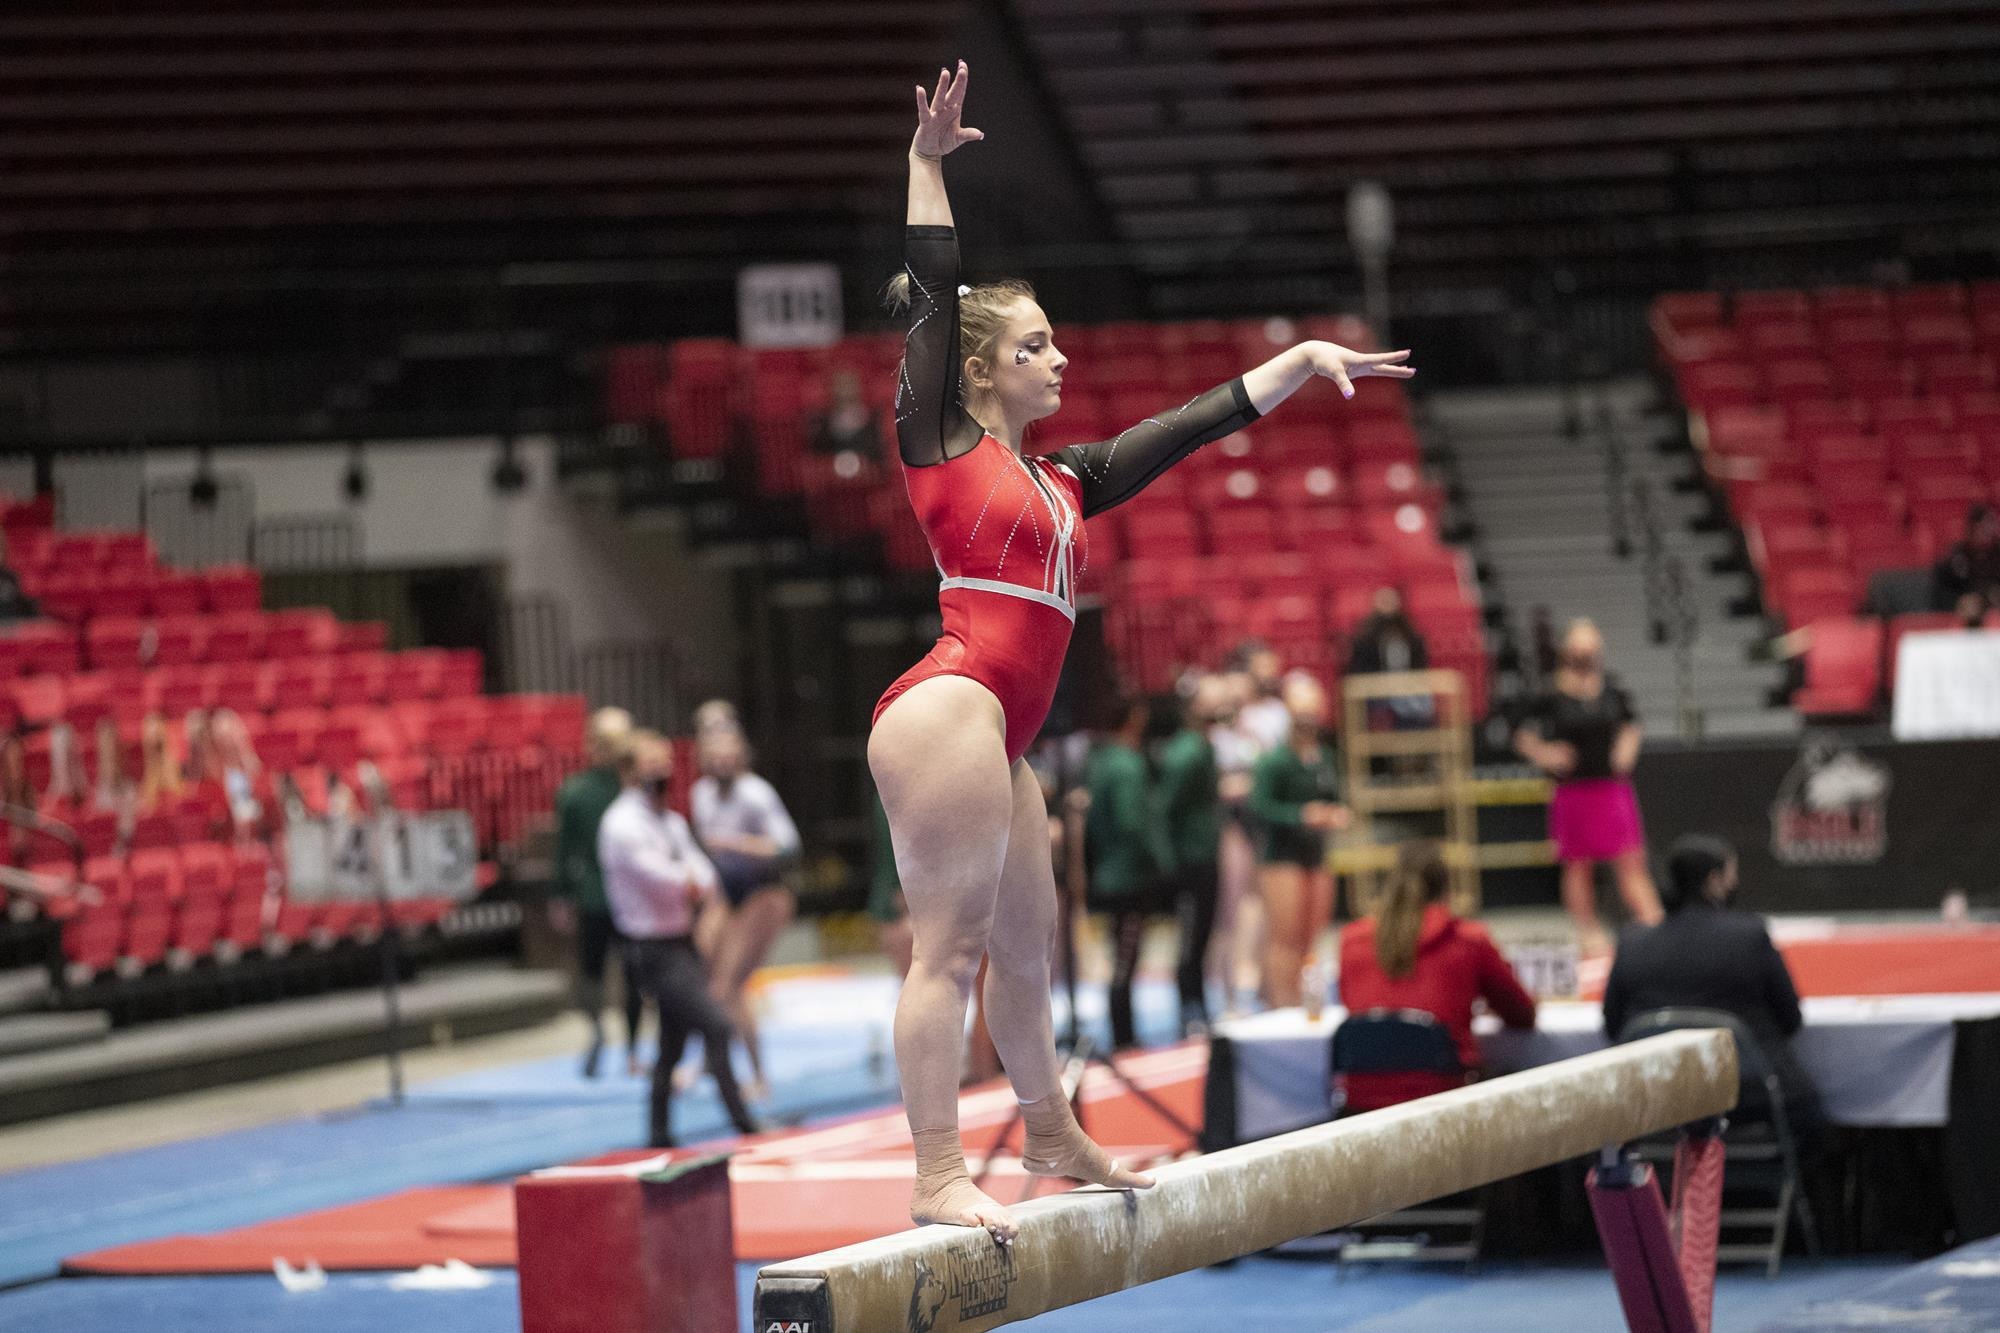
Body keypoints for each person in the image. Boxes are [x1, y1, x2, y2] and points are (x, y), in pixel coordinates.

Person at [869, 58, 1414, 1243]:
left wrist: (1305, 361)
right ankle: (933, 1170)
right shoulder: (938, 440)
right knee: (950, 947)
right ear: (978, 372)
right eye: (1036, 347)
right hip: (951, 699)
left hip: (1000, 730)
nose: (1059, 359)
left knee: (1029, 949)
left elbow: (1195, 422)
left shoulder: (1063, 479)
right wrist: (924, 163)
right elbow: (932, 290)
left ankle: (1049, 1129)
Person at [1601, 835, 1821, 1151]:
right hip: (1746, 1092)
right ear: (1715, 881)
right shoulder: (1749, 935)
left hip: (1654, 1093)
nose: (1735, 883)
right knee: (1813, 1125)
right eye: (1732, 874)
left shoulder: (1633, 943)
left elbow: (1614, 1027)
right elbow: (1790, 1019)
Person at [597, 731, 760, 1148]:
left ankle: (658, 1132)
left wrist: (693, 881)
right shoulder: (621, 823)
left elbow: (700, 871)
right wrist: (689, 882)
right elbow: (659, 878)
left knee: (671, 1044)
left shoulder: (668, 820)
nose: (661, 772)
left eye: (665, 763)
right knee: (718, 1026)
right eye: (651, 764)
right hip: (650, 948)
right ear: (630, 771)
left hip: (679, 942)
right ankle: (743, 1123)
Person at [1336, 842, 1538, 1113]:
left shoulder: (1352, 940)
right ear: (1446, 891)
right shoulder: (1467, 940)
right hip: (1444, 1103)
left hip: (1361, 1104)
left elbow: (1354, 1003)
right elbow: (1522, 1014)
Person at [1513, 619, 1661, 957]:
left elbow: (1631, 723)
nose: (1586, 655)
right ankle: (1588, 930)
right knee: (1578, 865)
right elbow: (1517, 731)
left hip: (1611, 786)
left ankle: (1653, 922)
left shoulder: (1611, 689)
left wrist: (1626, 748)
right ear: (1567, 651)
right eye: (1579, 649)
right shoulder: (1550, 692)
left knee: (1630, 859)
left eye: (1591, 649)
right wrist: (1544, 753)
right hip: (1573, 789)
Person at [690, 726, 801, 1102]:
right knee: (705, 976)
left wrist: (737, 844)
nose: (721, 764)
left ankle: (757, 1075)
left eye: (729, 757)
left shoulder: (756, 794)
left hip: (763, 892)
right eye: (715, 757)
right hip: (725, 891)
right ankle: (709, 1057)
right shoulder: (701, 793)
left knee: (730, 985)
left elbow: (787, 846)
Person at [551, 706, 643, 1079]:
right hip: (602, 895)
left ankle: (626, 1044)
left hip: (621, 896)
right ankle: (606, 1038)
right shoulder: (581, 792)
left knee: (620, 973)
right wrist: (562, 894)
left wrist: (561, 894)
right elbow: (566, 849)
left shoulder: (630, 788)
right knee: (606, 972)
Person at [1249, 673, 1350, 1009]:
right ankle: (1281, 1003)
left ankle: (1302, 999)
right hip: (1282, 856)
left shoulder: (1324, 758)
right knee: (1285, 939)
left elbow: (1335, 796)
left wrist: (1334, 814)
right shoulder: (1274, 760)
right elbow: (1261, 808)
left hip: (1315, 852)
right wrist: (1301, 816)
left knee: (1310, 937)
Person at [1084, 694, 1171, 1051]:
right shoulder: (1127, 765)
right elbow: (1131, 822)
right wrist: (1161, 862)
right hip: (1128, 876)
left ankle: (1124, 1029)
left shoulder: (1101, 761)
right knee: (1125, 957)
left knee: (1120, 955)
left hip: (1109, 871)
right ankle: (1124, 1034)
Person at [1156, 675, 1225, 1035]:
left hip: (1203, 852)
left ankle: (1196, 1002)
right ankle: (1189, 1006)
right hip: (1191, 858)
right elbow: (1164, 807)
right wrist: (1169, 861)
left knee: (1200, 935)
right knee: (1191, 936)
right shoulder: (1187, 751)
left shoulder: (1199, 746)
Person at [1933, 503, 2000, 620]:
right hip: (1961, 619)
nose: (1987, 533)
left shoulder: (1997, 553)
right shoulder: (1956, 556)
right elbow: (1941, 591)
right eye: (1982, 527)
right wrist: (1959, 602)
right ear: (1971, 528)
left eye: (1990, 527)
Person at [809, 369, 886, 464]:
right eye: (841, 386)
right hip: (829, 473)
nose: (845, 391)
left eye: (849, 385)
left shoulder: (872, 419)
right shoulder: (821, 421)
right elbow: (817, 454)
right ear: (832, 390)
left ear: (858, 388)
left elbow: (877, 453)